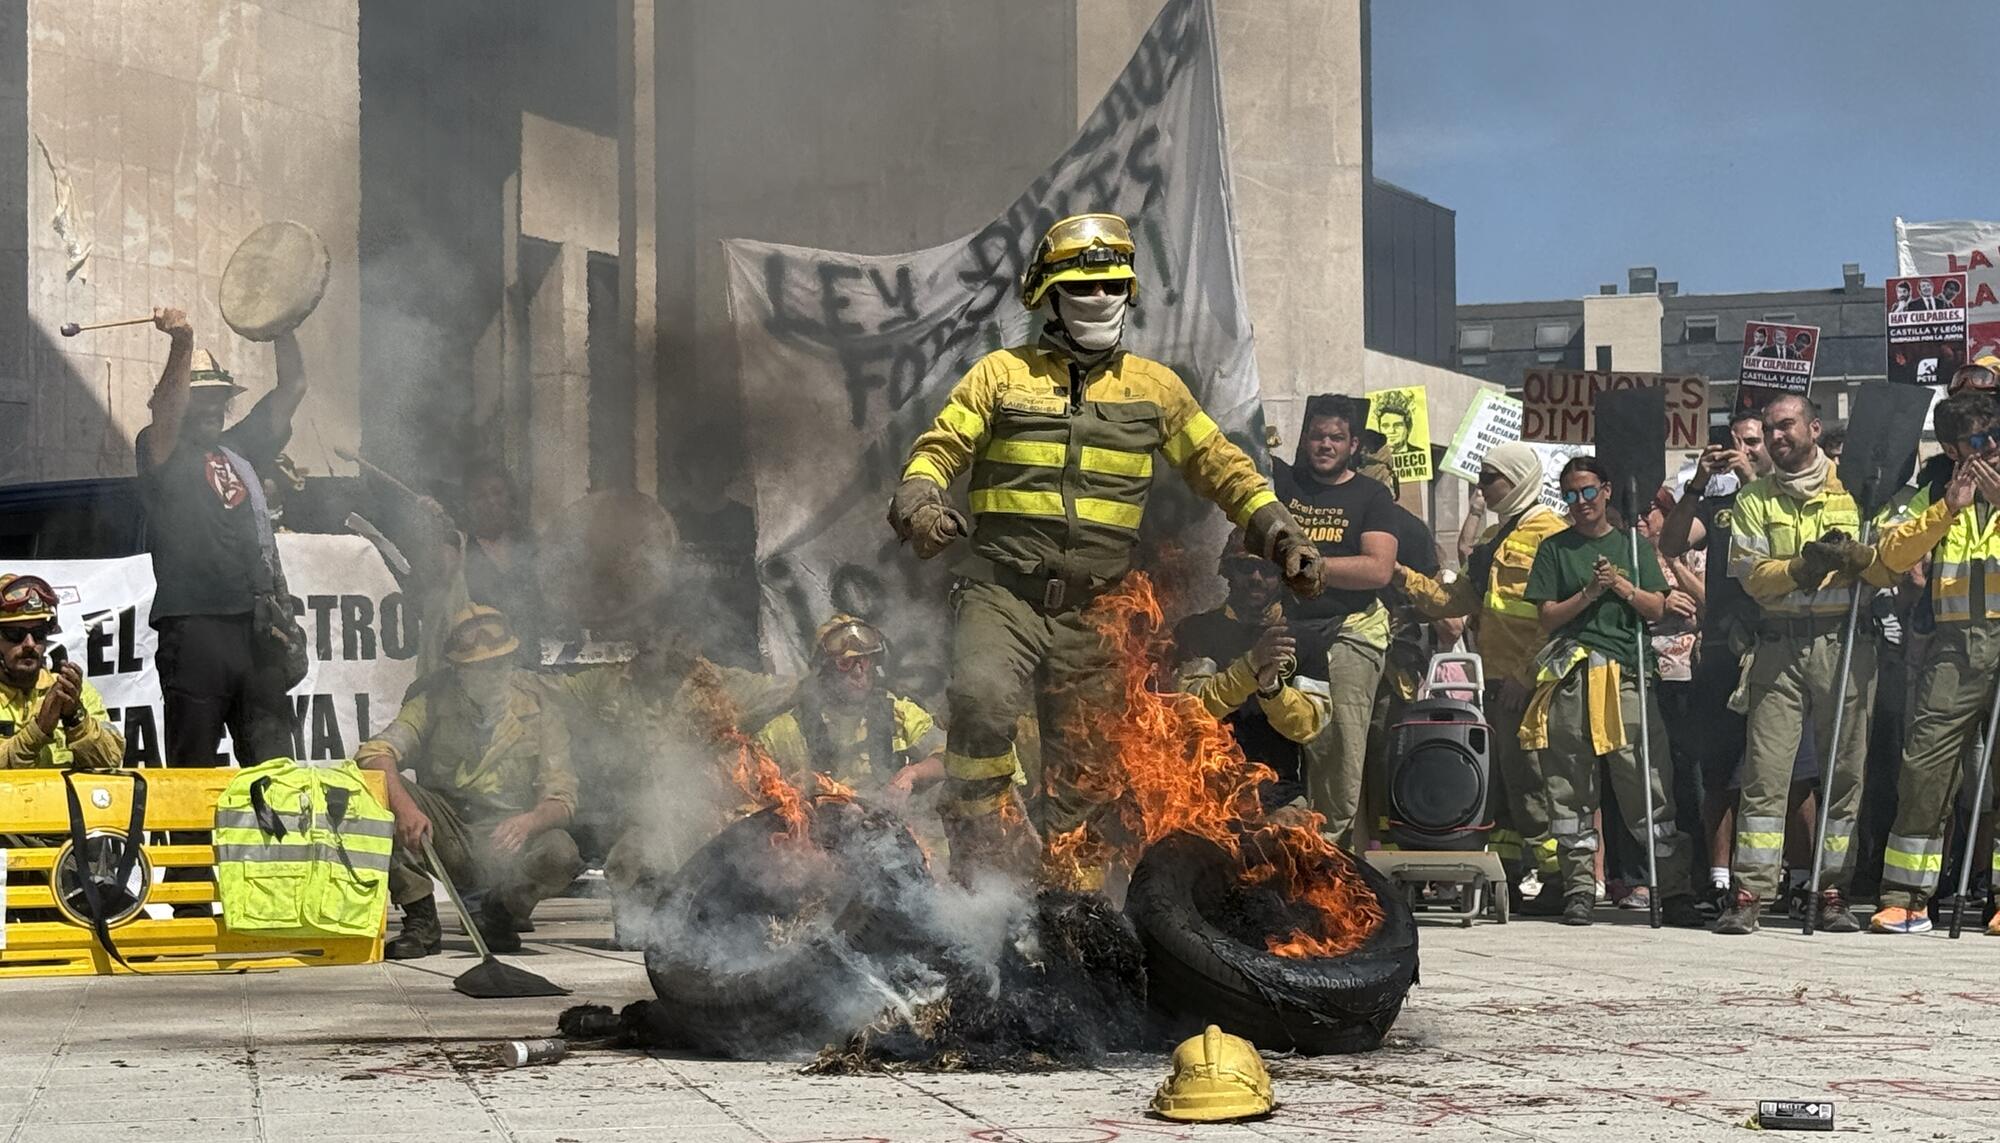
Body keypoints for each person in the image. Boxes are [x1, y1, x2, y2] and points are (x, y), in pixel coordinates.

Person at [887, 212, 1321, 881]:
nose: (1100, 299)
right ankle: (976, 859)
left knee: (1087, 761)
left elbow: (1222, 466)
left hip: (1097, 606)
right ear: (1048, 294)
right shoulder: (1000, 375)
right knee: (980, 698)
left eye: (1114, 285)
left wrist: (1279, 530)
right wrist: (920, 497)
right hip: (1003, 590)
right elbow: (942, 445)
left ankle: (1071, 897)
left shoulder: (1156, 389)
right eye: (1083, 286)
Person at [1716, 394, 1894, 935]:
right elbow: (1751, 576)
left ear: (1814, 428)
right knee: (1765, 774)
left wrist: (1861, 557)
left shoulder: (1857, 488)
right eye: (1769, 429)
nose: (1775, 437)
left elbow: (1890, 564)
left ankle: (1831, 889)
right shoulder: (1755, 499)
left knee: (1845, 773)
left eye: (1785, 426)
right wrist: (1802, 565)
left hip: (1844, 644)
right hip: (1779, 646)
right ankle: (1751, 894)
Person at [1519, 456, 1702, 927]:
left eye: (1588, 492)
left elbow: (1657, 607)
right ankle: (1579, 887)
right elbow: (1547, 616)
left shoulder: (1635, 548)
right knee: (1570, 787)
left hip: (1625, 677)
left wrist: (1618, 584)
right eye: (1571, 495)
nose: (1580, 503)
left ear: (1606, 490)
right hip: (1572, 678)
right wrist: (1587, 594)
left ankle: (1672, 886)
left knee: (1647, 783)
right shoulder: (1555, 549)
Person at [1397, 442, 1569, 912]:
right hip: (1494, 683)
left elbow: (1556, 623)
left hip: (1532, 686)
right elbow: (1462, 604)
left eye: (1490, 478)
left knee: (1536, 785)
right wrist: (1402, 577)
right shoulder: (1495, 537)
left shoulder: (1551, 535)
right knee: (1508, 787)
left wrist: (1525, 676)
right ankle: (1512, 874)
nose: (1481, 488)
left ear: (1518, 481)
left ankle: (1558, 882)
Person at [357, 606, 581, 959]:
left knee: (560, 851)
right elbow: (375, 753)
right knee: (371, 791)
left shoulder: (539, 708)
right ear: (458, 670)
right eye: (478, 667)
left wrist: (528, 822)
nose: (490, 675)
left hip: (507, 839)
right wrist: (407, 810)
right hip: (448, 831)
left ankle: (500, 915)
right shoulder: (431, 702)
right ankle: (421, 918)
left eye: (498, 664)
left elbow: (561, 797)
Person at [135, 308, 306, 768]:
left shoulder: (239, 449)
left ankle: (273, 843)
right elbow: (165, 410)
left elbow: (292, 390)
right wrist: (182, 343)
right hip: (195, 629)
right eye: (199, 396)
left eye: (219, 396)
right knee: (193, 768)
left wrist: (281, 320)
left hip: (256, 628)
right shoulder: (160, 450)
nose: (211, 405)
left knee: (274, 769)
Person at [1868, 391, 2000, 933]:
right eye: (1976, 441)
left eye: (1995, 436)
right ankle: (1907, 897)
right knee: (1924, 766)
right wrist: (1948, 509)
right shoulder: (1932, 490)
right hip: (1954, 648)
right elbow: (1889, 557)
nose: (1990, 448)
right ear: (1951, 447)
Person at [1275, 395, 1398, 847]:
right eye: (1318, 435)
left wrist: (1310, 564)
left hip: (1349, 631)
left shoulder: (1371, 495)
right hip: (1286, 628)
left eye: (1336, 438)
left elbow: (1377, 568)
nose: (1325, 444)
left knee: (1336, 748)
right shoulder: (1283, 485)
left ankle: (1329, 855)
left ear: (1353, 446)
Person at [1173, 530, 1331, 817]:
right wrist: (1249, 668)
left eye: (1268, 569)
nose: (1256, 578)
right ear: (1228, 572)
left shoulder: (1306, 641)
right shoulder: (1196, 632)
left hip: (1278, 799)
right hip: (1202, 798)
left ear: (1283, 577)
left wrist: (1271, 689)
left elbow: (1309, 725)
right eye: (1246, 567)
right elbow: (1191, 711)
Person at [754, 615, 946, 798]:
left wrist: (914, 773)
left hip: (886, 824)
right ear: (825, 671)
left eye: (864, 661)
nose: (858, 673)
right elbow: (747, 774)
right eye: (845, 664)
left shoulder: (898, 713)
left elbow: (947, 756)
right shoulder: (788, 729)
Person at [0, 575, 124, 769]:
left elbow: (110, 762)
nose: (30, 644)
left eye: (39, 633)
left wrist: (75, 717)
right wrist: (38, 730)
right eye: (16, 634)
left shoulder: (72, 691)